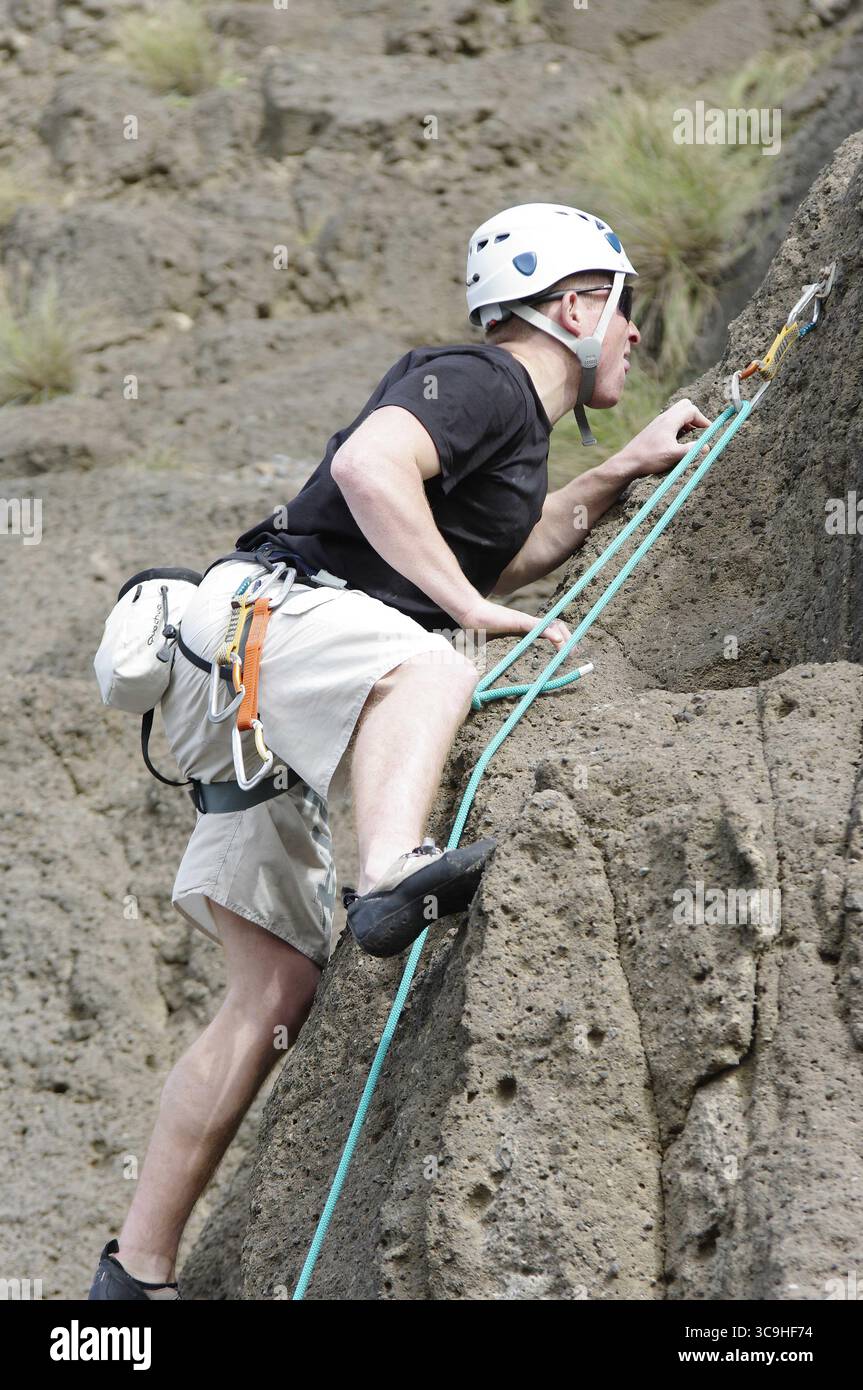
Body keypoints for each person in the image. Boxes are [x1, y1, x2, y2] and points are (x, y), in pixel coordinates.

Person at [88, 202, 710, 1299]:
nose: (633, 337)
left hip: (237, 682)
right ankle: (391, 871)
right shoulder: (481, 382)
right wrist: (461, 606)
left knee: (271, 989)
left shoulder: (512, 436)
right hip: (275, 630)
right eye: (625, 313)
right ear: (573, 306)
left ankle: (129, 1279)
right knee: (433, 661)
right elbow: (377, 471)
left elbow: (515, 546)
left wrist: (620, 473)